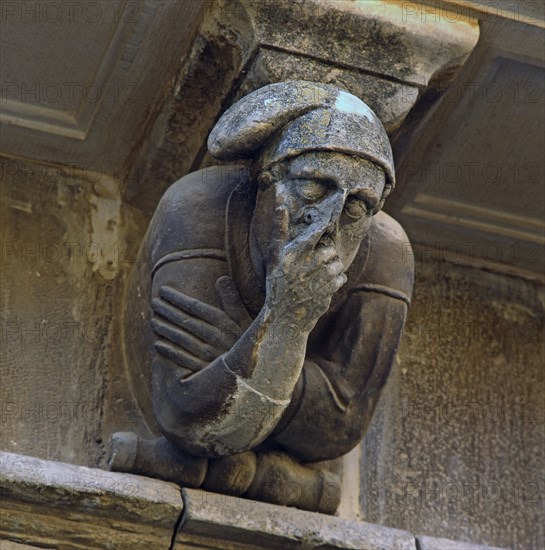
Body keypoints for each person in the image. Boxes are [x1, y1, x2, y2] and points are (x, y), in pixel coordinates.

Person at [112, 81, 414, 512]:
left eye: (356, 206)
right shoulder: (200, 206)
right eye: (313, 186)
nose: (328, 222)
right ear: (266, 180)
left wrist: (270, 331)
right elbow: (188, 414)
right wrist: (288, 327)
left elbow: (340, 425)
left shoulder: (387, 251)